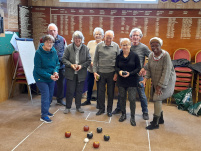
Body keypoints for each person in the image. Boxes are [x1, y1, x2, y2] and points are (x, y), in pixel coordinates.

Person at [112, 28, 150, 120]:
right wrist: (117, 73)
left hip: (138, 75)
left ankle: (145, 112)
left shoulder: (144, 47)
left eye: (137, 35)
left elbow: (151, 58)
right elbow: (119, 62)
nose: (135, 37)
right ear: (131, 37)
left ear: (140, 37)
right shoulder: (127, 46)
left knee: (141, 94)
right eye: (133, 35)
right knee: (122, 94)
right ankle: (119, 108)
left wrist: (144, 67)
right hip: (125, 75)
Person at [141, 37, 176, 130]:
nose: (154, 47)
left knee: (157, 98)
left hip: (167, 81)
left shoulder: (165, 55)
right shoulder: (151, 55)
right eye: (152, 46)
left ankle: (155, 123)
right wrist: (145, 79)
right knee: (157, 98)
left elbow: (166, 72)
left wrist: (160, 86)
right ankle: (161, 119)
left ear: (161, 45)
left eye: (157, 45)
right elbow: (148, 68)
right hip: (156, 79)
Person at [62, 31, 91, 114]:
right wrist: (71, 65)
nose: (77, 40)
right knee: (70, 91)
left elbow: (89, 60)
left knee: (79, 91)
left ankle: (78, 107)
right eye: (76, 38)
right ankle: (68, 107)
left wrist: (81, 66)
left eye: (79, 38)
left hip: (81, 74)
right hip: (71, 74)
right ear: (73, 39)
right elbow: (64, 59)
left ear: (82, 39)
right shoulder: (68, 48)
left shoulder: (85, 48)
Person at [93, 30, 120, 117]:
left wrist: (116, 73)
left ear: (113, 37)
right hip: (100, 73)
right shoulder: (99, 46)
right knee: (100, 92)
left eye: (110, 38)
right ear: (104, 36)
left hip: (111, 73)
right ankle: (101, 109)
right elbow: (95, 60)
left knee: (110, 93)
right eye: (107, 37)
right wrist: (94, 72)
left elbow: (118, 62)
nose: (108, 39)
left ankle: (109, 110)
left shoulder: (116, 46)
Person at [33, 35, 60, 123]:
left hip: (51, 77)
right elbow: (38, 69)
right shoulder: (38, 53)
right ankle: (43, 115)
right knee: (45, 94)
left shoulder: (53, 51)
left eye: (51, 42)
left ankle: (46, 110)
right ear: (43, 42)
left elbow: (57, 64)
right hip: (40, 77)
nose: (49, 44)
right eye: (47, 42)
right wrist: (49, 76)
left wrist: (55, 72)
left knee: (50, 95)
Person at [39, 23, 67, 106]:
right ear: (48, 31)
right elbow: (39, 52)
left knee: (60, 84)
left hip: (60, 66)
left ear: (57, 31)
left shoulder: (63, 40)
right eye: (51, 31)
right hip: (47, 67)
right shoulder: (42, 40)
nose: (53, 32)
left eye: (54, 30)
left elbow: (66, 52)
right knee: (48, 84)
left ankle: (60, 99)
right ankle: (48, 101)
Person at [115, 38, 141, 126]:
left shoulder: (135, 56)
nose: (125, 46)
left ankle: (132, 117)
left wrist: (130, 73)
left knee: (132, 99)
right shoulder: (119, 56)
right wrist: (119, 72)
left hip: (132, 80)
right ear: (121, 46)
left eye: (127, 44)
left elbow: (138, 68)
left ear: (130, 45)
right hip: (121, 80)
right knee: (122, 97)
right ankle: (123, 114)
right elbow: (116, 67)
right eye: (123, 45)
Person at [81, 27, 104, 106]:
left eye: (99, 34)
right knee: (89, 85)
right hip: (90, 69)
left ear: (102, 36)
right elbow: (86, 54)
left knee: (99, 86)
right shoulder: (90, 43)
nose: (98, 36)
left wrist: (97, 64)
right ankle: (88, 100)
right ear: (94, 35)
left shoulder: (103, 45)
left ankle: (98, 102)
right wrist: (90, 62)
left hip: (99, 70)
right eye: (96, 34)